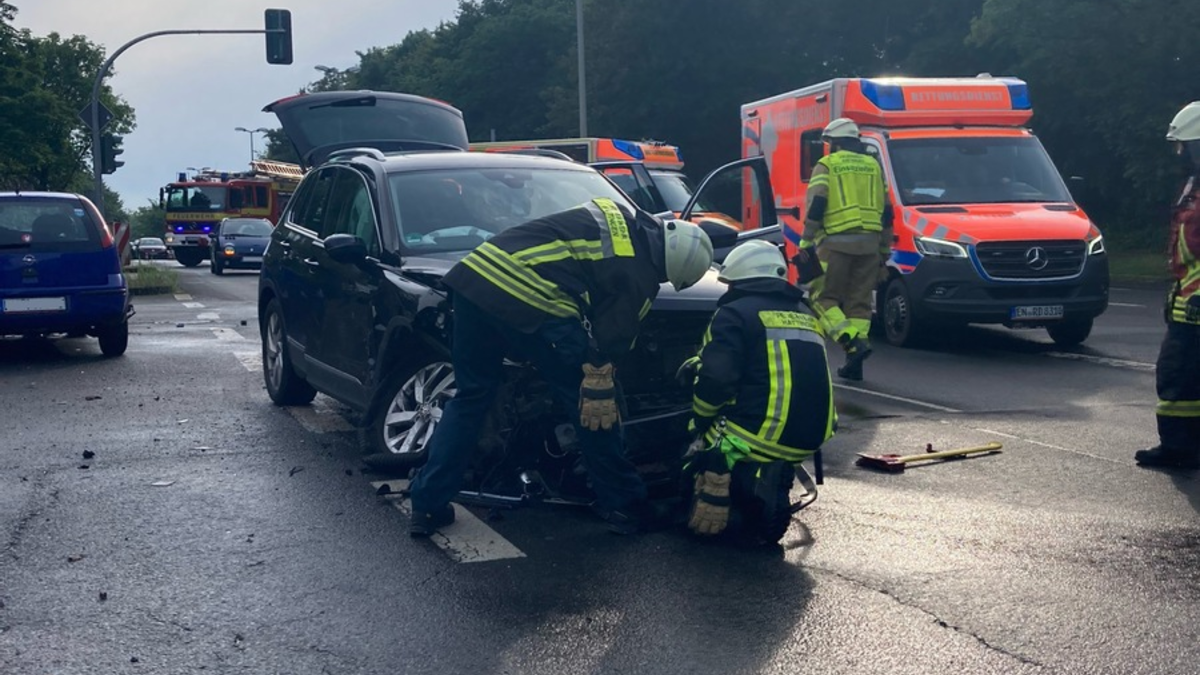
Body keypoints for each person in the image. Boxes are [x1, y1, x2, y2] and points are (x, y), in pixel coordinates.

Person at [408, 197, 715, 536]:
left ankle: (427, 503)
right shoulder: (639, 273)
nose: (660, 280)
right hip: (531, 298)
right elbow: (611, 342)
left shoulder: (614, 213)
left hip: (474, 279)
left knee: (471, 397)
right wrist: (601, 377)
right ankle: (625, 505)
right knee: (593, 406)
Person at [679, 240, 836, 545]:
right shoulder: (806, 313)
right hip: (811, 438)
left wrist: (699, 418)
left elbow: (716, 382)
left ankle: (739, 490)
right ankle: (769, 481)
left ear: (739, 279)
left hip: (758, 437)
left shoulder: (733, 314)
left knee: (692, 454)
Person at [792, 117, 893, 381]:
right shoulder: (873, 166)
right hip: (870, 246)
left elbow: (817, 206)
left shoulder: (827, 165)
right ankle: (854, 365)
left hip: (835, 245)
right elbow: (887, 212)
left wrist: (805, 242)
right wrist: (884, 250)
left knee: (821, 299)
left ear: (835, 143)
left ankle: (851, 343)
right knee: (859, 303)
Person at [1134, 101, 1200, 470]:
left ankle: (1179, 448)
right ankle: (1183, 445)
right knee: (1183, 375)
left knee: (1178, 372)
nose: (1180, 155)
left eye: (1184, 147)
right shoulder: (1192, 185)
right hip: (1187, 299)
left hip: (1195, 301)